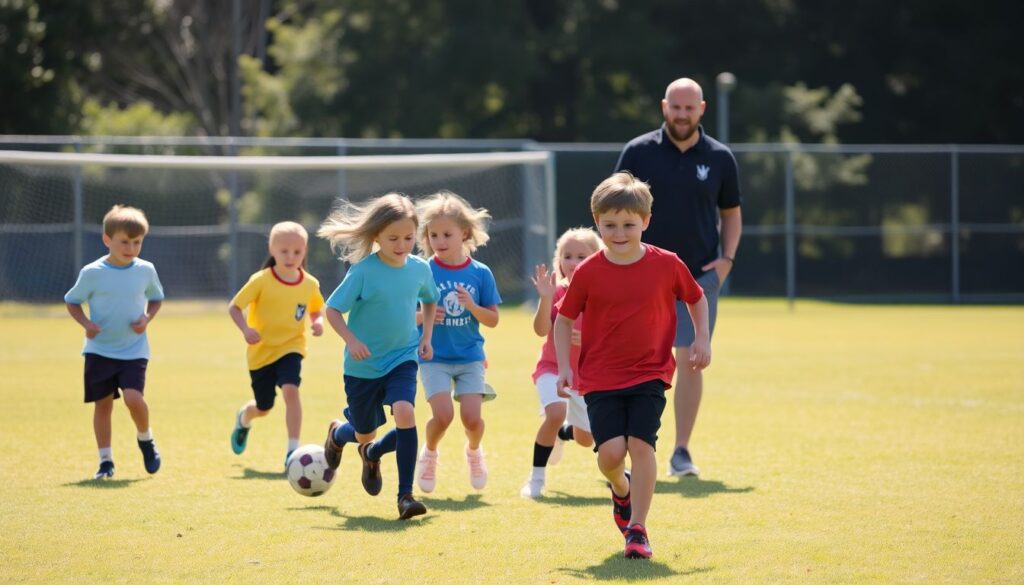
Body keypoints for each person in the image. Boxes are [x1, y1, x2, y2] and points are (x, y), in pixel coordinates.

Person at [555, 172, 711, 559]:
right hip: (600, 377)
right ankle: (621, 489)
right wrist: (563, 367)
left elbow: (696, 297)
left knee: (641, 445)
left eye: (629, 224)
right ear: (597, 222)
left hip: (650, 372)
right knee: (610, 455)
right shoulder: (588, 271)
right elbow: (563, 320)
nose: (620, 233)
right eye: (610, 225)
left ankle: (637, 529)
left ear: (646, 221)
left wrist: (702, 338)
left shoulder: (667, 264)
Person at [614, 77, 742, 477]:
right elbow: (613, 207)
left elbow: (731, 213)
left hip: (698, 277)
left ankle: (681, 451)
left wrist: (727, 260)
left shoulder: (720, 158)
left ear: (701, 109)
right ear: (663, 107)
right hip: (640, 275)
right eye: (676, 107)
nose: (682, 115)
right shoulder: (637, 152)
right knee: (634, 361)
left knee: (691, 360)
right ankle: (631, 450)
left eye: (689, 108)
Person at [318, 193, 440, 520]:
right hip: (363, 366)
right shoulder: (363, 272)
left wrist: (427, 336)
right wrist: (351, 340)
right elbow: (332, 310)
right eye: (393, 238)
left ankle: (405, 497)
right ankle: (344, 438)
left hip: (403, 357)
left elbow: (430, 300)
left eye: (409, 238)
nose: (402, 245)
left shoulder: (420, 269)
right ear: (376, 236)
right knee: (364, 433)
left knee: (405, 412)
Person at [64, 205, 165, 479]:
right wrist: (87, 324)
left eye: (137, 242)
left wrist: (147, 318)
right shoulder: (92, 272)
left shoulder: (146, 270)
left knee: (134, 398)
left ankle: (145, 439)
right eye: (124, 242)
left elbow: (156, 298)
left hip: (134, 349)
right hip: (99, 350)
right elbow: (72, 301)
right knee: (103, 404)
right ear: (107, 239)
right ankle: (105, 462)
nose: (131, 248)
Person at [412, 191, 501, 493]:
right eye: (433, 234)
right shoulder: (422, 270)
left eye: (447, 234)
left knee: (472, 419)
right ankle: (429, 454)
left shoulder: (481, 273)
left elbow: (493, 319)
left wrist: (472, 306)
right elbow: (404, 314)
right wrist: (424, 316)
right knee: (443, 416)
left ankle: (474, 452)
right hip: (433, 356)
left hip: (469, 357)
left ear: (464, 232)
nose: (439, 240)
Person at [228, 221, 325, 468]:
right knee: (264, 407)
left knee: (291, 390)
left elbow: (316, 309)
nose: (291, 257)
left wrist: (318, 322)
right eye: (284, 251)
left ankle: (292, 451)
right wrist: (245, 329)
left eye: (297, 251)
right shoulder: (261, 280)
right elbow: (235, 307)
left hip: (292, 347)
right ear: (272, 249)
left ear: (305, 251)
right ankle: (245, 418)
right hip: (261, 353)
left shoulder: (310, 284)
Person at [519, 227, 601, 499]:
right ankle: (536, 478)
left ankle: (561, 434)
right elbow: (541, 330)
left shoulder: (603, 294)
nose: (573, 262)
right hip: (552, 368)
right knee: (555, 413)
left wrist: (588, 338)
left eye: (581, 256)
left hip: (585, 377)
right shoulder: (557, 292)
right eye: (567, 256)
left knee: (585, 438)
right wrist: (545, 298)